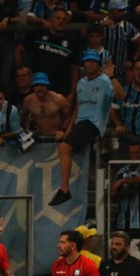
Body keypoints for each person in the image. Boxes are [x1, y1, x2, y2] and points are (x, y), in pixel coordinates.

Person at [51, 49, 119, 206]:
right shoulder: (81, 83)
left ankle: (64, 189)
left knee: (63, 148)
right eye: (87, 61)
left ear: (98, 64)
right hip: (80, 122)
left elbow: (121, 96)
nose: (90, 64)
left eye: (93, 61)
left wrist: (112, 77)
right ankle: (65, 189)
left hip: (94, 122)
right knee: (64, 148)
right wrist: (69, 129)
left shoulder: (104, 80)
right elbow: (77, 107)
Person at [110, 141, 140, 237]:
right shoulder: (122, 171)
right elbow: (115, 193)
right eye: (131, 153)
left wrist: (123, 181)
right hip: (122, 221)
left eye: (136, 153)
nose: (133, 156)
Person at [21, 72, 71, 140]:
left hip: (57, 135)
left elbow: (70, 115)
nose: (39, 88)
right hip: (39, 136)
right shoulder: (28, 101)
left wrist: (63, 130)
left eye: (42, 85)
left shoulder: (58, 99)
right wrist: (27, 131)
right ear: (33, 87)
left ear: (47, 86)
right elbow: (23, 117)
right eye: (37, 85)